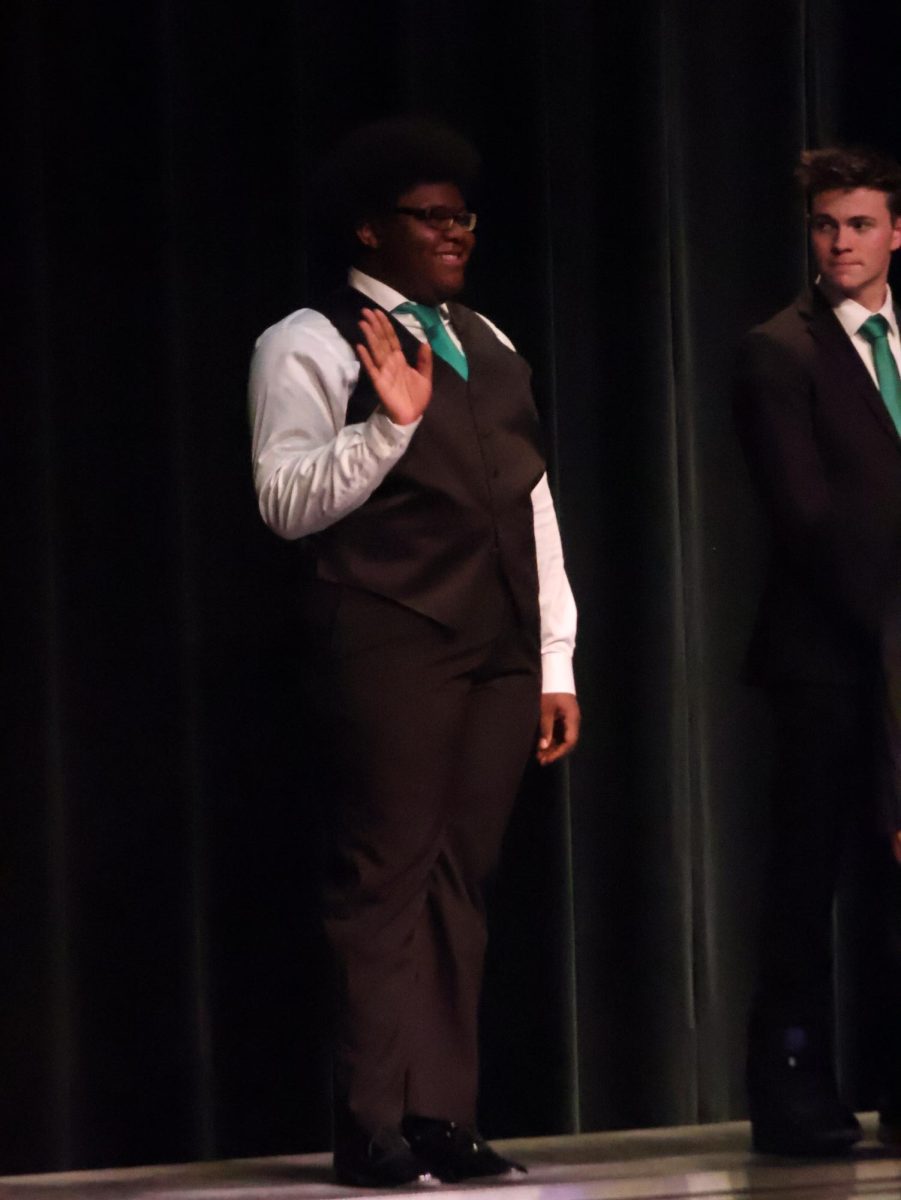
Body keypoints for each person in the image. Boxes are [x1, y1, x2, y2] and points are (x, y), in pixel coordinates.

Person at [248, 117, 579, 1187]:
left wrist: (556, 657)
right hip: (388, 630)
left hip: (495, 641)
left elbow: (531, 500)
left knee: (460, 878)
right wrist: (384, 429)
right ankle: (372, 1123)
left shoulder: (486, 339)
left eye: (462, 217)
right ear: (368, 228)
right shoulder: (306, 339)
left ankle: (442, 1115)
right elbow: (283, 499)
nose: (455, 233)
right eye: (431, 217)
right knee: (384, 876)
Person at [734, 145, 901, 1156]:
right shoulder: (777, 350)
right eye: (824, 225)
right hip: (828, 659)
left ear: (896, 232)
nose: (838, 242)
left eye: (858, 224)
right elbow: (806, 515)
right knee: (807, 877)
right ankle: (792, 1086)